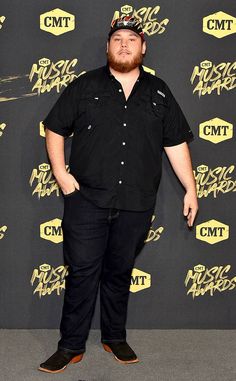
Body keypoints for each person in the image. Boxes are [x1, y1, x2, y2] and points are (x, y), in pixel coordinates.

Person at [38, 15, 198, 373]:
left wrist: (191, 188)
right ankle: (71, 346)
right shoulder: (84, 85)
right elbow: (55, 128)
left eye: (131, 38)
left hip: (136, 203)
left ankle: (114, 336)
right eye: (117, 39)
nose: (124, 44)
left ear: (143, 46)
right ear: (107, 47)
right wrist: (61, 174)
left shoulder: (159, 91)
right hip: (87, 200)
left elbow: (175, 143)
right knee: (81, 272)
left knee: (119, 271)